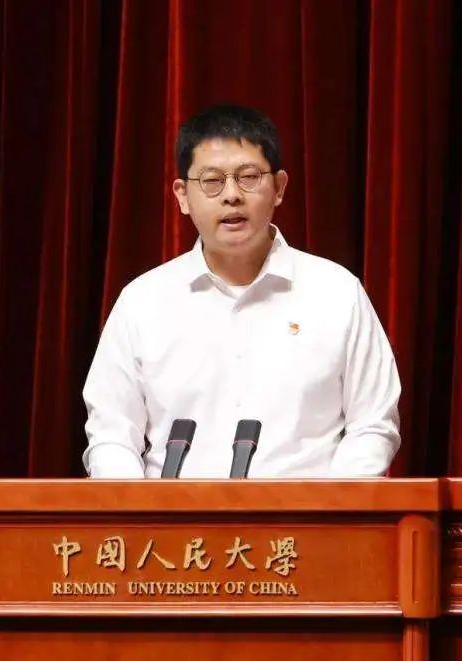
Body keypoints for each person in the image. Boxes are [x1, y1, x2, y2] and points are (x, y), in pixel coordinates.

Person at [82, 104, 401, 478]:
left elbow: (372, 425)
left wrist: (332, 508)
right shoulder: (142, 302)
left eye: (249, 177)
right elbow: (111, 435)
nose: (232, 195)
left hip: (304, 514)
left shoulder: (336, 294)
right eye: (212, 181)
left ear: (279, 187)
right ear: (182, 196)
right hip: (174, 516)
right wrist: (134, 508)